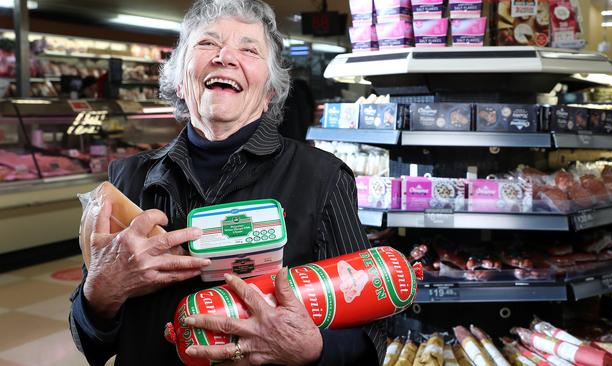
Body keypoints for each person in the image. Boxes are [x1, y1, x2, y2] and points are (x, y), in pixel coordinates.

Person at [69, 0, 386, 365]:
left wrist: (313, 349)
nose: (224, 56)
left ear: (269, 94)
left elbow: (373, 330)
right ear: (178, 81)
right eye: (207, 43)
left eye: (249, 49)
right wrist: (101, 292)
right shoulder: (125, 179)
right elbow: (91, 342)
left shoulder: (323, 178)